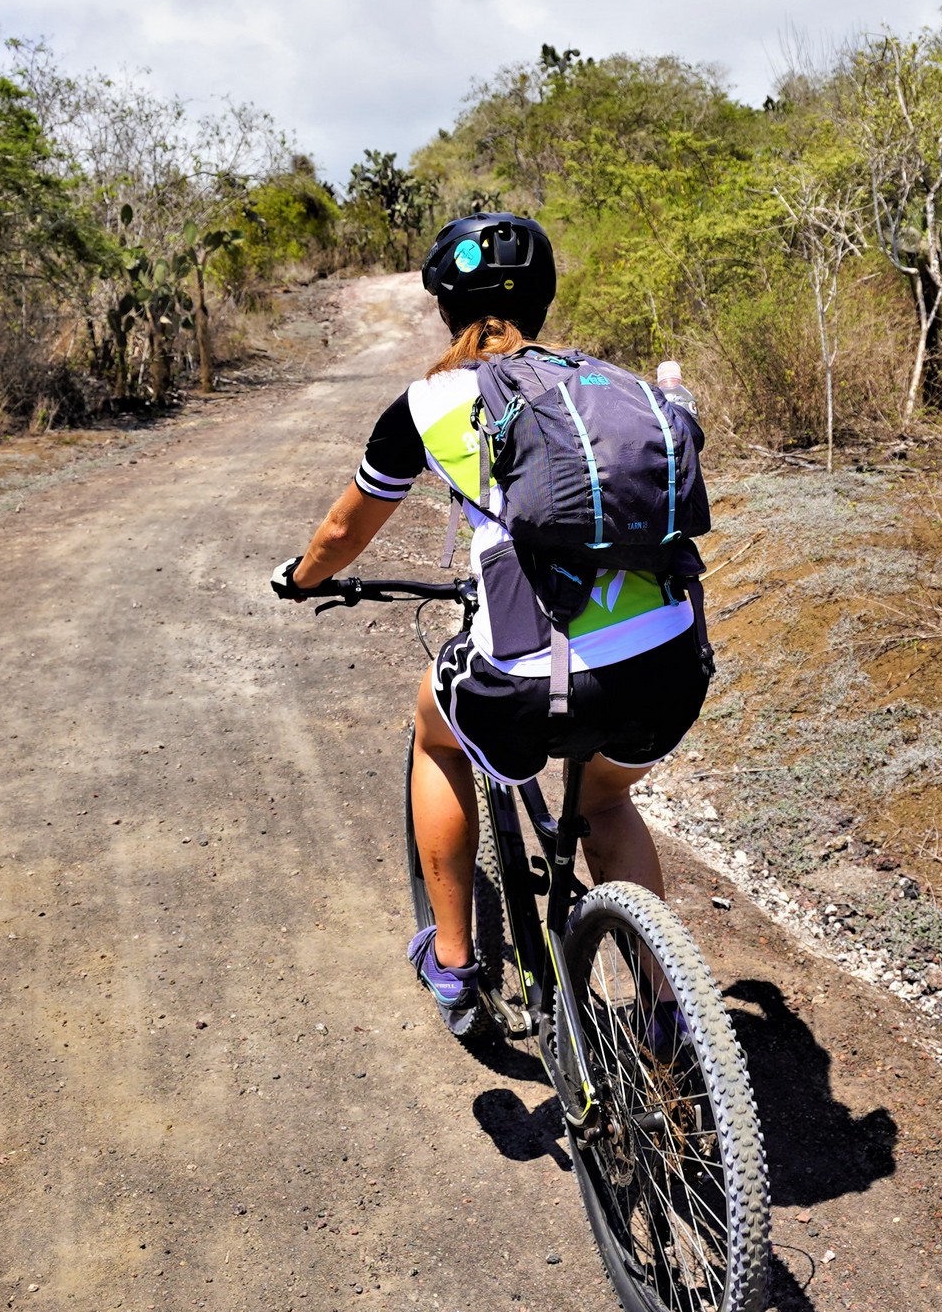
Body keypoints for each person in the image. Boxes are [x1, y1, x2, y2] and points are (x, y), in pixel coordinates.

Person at [270, 214, 712, 1038]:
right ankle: (665, 1010)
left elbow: (343, 533)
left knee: (437, 730)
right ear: (542, 301)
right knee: (608, 799)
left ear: (445, 309)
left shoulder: (429, 401)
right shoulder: (616, 384)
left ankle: (452, 963)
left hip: (529, 686)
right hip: (668, 668)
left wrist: (300, 579)